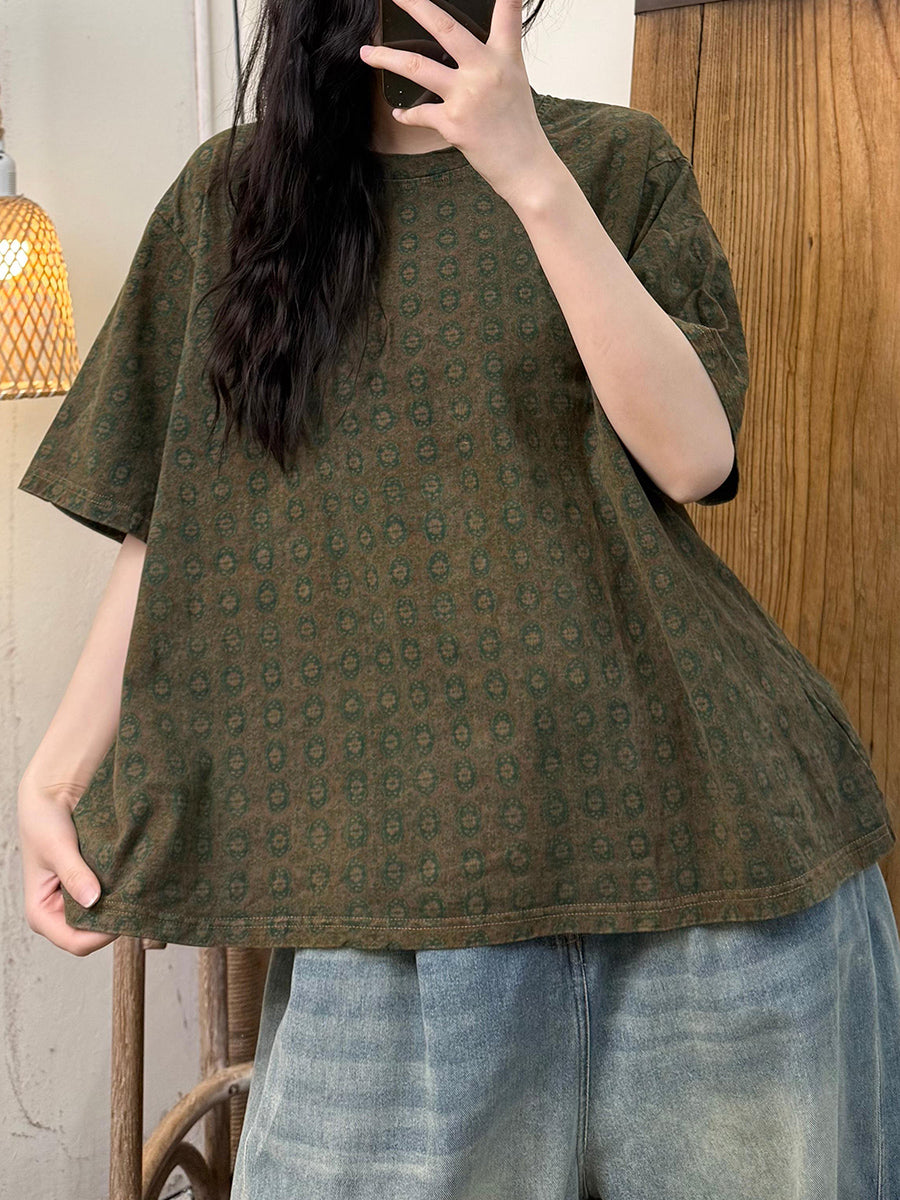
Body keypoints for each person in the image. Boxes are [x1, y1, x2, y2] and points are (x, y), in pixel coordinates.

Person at [17, 0, 900, 1196]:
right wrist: (59, 770)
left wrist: (528, 169)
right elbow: (174, 519)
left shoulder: (616, 160)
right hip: (393, 901)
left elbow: (695, 456)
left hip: (712, 872)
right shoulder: (231, 203)